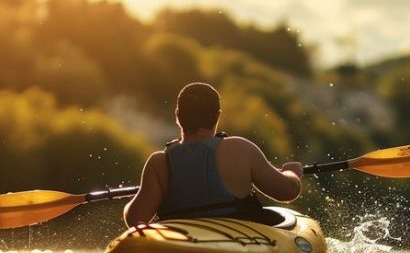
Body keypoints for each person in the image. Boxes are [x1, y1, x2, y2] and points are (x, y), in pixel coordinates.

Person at [124, 82, 303, 226]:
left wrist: (143, 192)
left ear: (178, 115)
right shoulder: (239, 149)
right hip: (238, 248)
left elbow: (135, 220)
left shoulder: (159, 162)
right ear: (217, 116)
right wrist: (292, 173)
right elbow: (287, 191)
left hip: (181, 250)